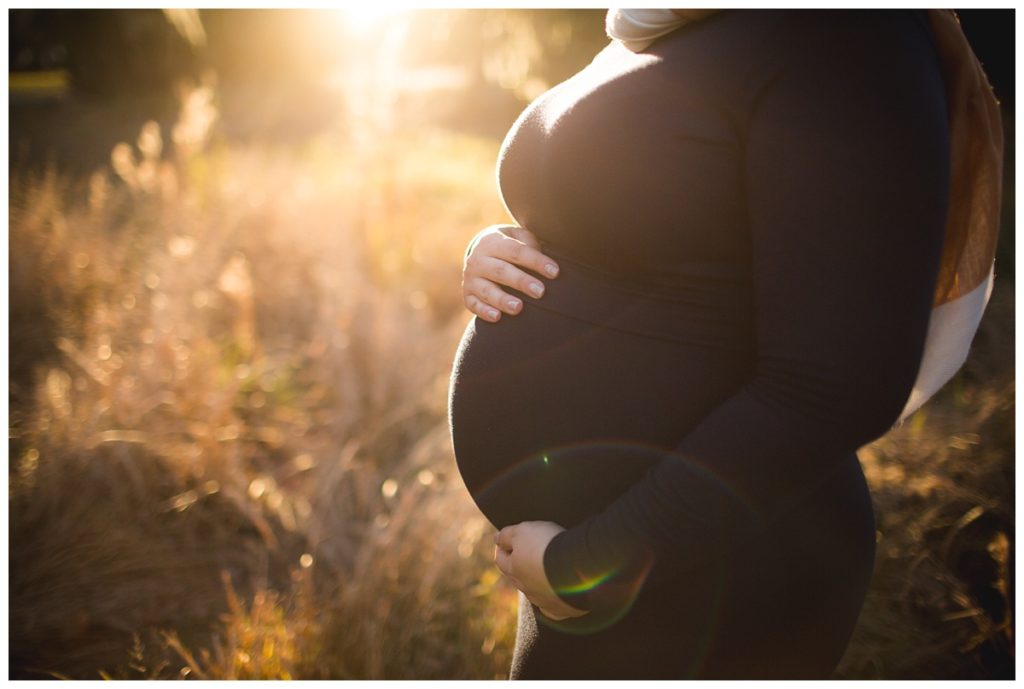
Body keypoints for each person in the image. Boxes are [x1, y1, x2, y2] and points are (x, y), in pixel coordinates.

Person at [447, 9, 1001, 679]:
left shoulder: (847, 35)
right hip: (605, 567)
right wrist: (495, 248)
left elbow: (839, 385)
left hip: (709, 564)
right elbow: (634, 222)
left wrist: (588, 564)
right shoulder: (662, 22)